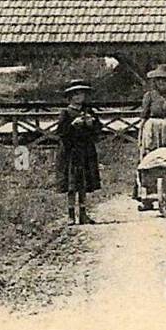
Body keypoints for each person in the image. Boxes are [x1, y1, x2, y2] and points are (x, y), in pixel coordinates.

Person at [55, 81, 104, 225]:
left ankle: (83, 214)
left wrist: (92, 124)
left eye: (81, 93)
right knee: (72, 184)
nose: (79, 97)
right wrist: (72, 125)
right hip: (71, 152)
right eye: (75, 94)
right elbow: (61, 133)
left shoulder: (89, 111)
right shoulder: (66, 113)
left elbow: (98, 131)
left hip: (86, 151)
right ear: (70, 97)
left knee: (83, 184)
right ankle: (71, 215)